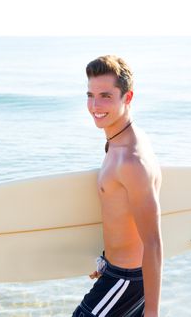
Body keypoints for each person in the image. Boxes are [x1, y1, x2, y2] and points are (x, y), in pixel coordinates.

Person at [73, 55, 163, 317]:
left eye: (105, 96)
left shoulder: (132, 161)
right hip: (116, 271)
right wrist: (106, 258)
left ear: (128, 97)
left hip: (127, 280)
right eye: (90, 95)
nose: (94, 106)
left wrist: (152, 313)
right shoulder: (116, 139)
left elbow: (154, 244)